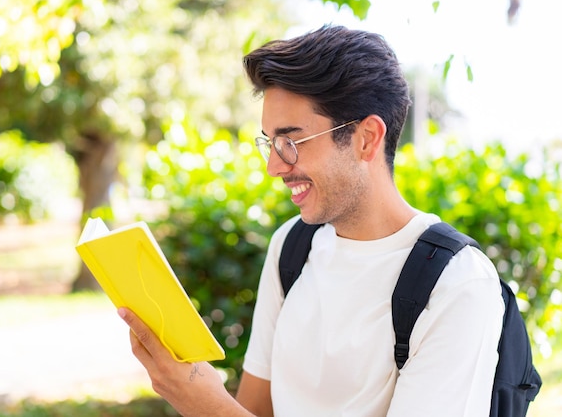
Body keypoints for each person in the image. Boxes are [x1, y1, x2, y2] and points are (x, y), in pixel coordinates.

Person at [118, 25, 504, 416]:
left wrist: (205, 404)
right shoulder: (291, 246)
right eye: (269, 142)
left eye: (291, 142)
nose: (273, 166)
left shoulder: (457, 284)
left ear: (366, 138)